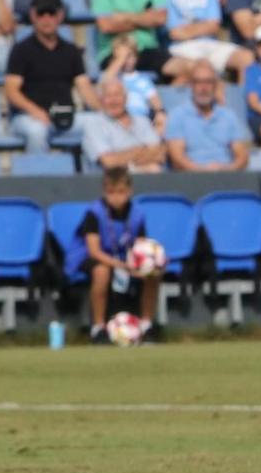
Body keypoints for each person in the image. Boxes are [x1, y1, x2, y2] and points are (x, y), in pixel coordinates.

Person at [3, 0, 96, 154]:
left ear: (60, 16)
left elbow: (85, 87)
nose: (46, 19)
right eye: (41, 13)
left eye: (51, 13)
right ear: (33, 16)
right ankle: (39, 178)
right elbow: (11, 91)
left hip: (65, 116)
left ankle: (97, 177)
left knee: (100, 123)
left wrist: (104, 111)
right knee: (37, 131)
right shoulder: (21, 50)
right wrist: (35, 111)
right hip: (28, 117)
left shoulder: (71, 50)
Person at [80, 166, 161, 344]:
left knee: (152, 272)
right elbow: (93, 250)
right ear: (104, 191)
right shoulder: (94, 213)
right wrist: (121, 265)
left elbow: (141, 246)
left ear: (130, 191)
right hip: (96, 259)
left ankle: (146, 325)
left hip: (125, 259)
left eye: (121, 192)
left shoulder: (137, 214)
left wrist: (148, 263)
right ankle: (98, 328)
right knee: (102, 271)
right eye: (111, 192)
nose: (116, 198)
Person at [165, 60, 251, 173]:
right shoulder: (177, 115)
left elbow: (242, 155)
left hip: (226, 177)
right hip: (191, 179)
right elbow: (177, 158)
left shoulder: (228, 116)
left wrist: (226, 170)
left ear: (215, 85)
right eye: (198, 82)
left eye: (208, 82)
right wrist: (204, 171)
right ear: (191, 85)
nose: (203, 87)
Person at [82, 77, 168, 172]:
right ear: (101, 99)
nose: (113, 101)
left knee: (154, 169)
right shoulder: (94, 124)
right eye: (108, 96)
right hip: (113, 182)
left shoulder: (142, 121)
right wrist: (141, 151)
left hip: (148, 179)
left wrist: (123, 157)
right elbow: (109, 162)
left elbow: (159, 155)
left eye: (117, 95)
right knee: (153, 168)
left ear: (126, 98)